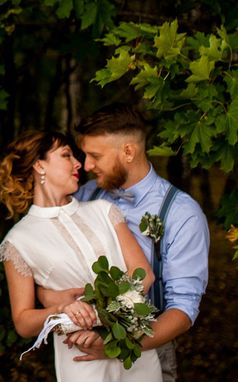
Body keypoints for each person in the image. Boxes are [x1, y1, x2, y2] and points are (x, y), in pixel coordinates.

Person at [39, 105, 209, 382]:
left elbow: (184, 308)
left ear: (128, 152)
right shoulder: (82, 196)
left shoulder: (180, 213)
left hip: (147, 347)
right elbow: (46, 263)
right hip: (79, 348)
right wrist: (54, 300)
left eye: (95, 156)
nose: (87, 166)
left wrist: (120, 345)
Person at [0, 130, 162, 381]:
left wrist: (106, 329)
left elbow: (144, 274)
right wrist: (61, 308)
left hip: (134, 353)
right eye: (66, 155)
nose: (78, 163)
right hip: (83, 358)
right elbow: (23, 322)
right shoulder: (18, 242)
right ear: (40, 165)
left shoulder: (104, 211)